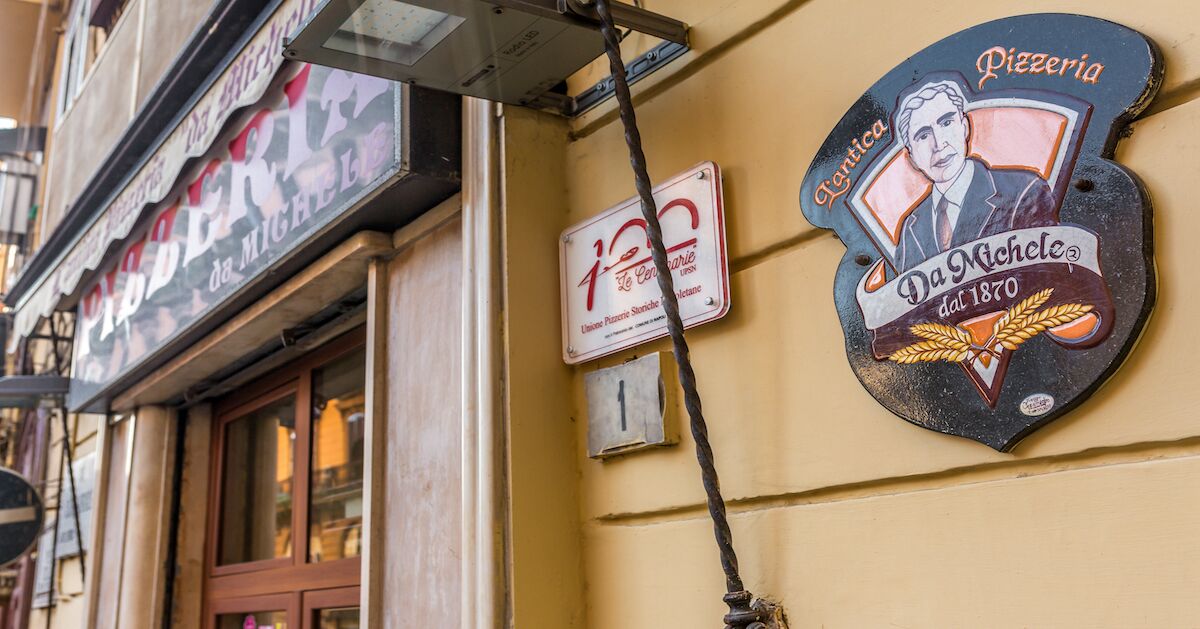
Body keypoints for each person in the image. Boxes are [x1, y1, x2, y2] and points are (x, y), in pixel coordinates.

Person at [893, 78, 1058, 272]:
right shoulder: (910, 229)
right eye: (923, 135)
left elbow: (1051, 276)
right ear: (911, 156)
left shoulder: (1023, 191)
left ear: (964, 127)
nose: (939, 144)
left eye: (946, 123)